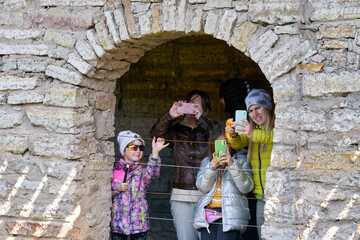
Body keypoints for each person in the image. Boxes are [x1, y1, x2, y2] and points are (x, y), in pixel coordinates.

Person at [150, 90, 215, 240]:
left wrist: (202, 120)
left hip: (209, 195)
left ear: (206, 109)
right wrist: (170, 116)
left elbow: (221, 136)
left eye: (198, 105)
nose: (193, 108)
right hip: (181, 195)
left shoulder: (210, 129)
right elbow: (155, 136)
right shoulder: (176, 130)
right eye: (191, 103)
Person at [226, 89, 275, 239]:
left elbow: (275, 137)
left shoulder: (278, 126)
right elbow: (237, 144)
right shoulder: (253, 130)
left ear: (267, 107)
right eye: (251, 110)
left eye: (258, 108)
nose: (255, 114)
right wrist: (233, 136)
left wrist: (253, 134)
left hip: (278, 196)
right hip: (261, 196)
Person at [193, 123, 254, 240]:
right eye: (219, 144)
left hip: (230, 215)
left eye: (226, 143)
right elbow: (202, 187)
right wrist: (212, 167)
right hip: (209, 215)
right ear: (213, 145)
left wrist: (232, 164)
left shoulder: (241, 160)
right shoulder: (207, 162)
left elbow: (246, 188)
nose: (223, 148)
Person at [110, 130, 169, 240]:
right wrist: (117, 187)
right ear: (124, 151)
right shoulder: (113, 169)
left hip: (138, 223)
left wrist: (155, 153)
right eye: (133, 147)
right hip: (118, 223)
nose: (138, 151)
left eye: (141, 148)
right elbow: (103, 191)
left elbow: (152, 174)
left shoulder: (142, 172)